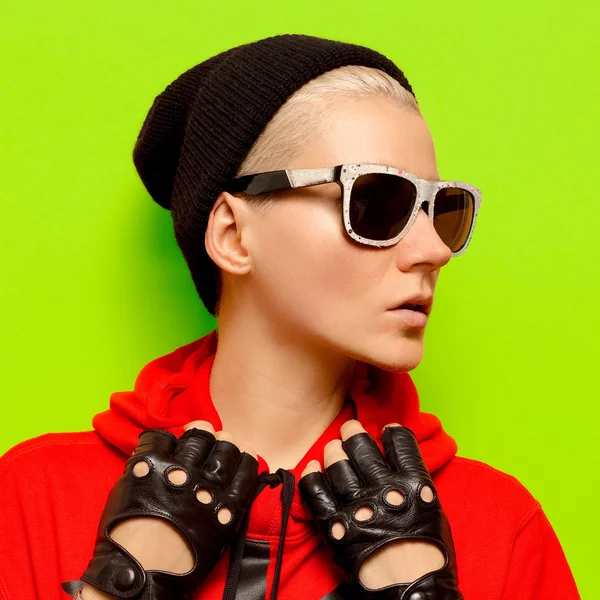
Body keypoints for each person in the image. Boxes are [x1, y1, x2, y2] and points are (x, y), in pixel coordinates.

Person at [0, 33, 580, 600]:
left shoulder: (502, 527)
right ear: (233, 235)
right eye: (377, 201)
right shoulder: (31, 499)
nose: (434, 250)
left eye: (441, 211)